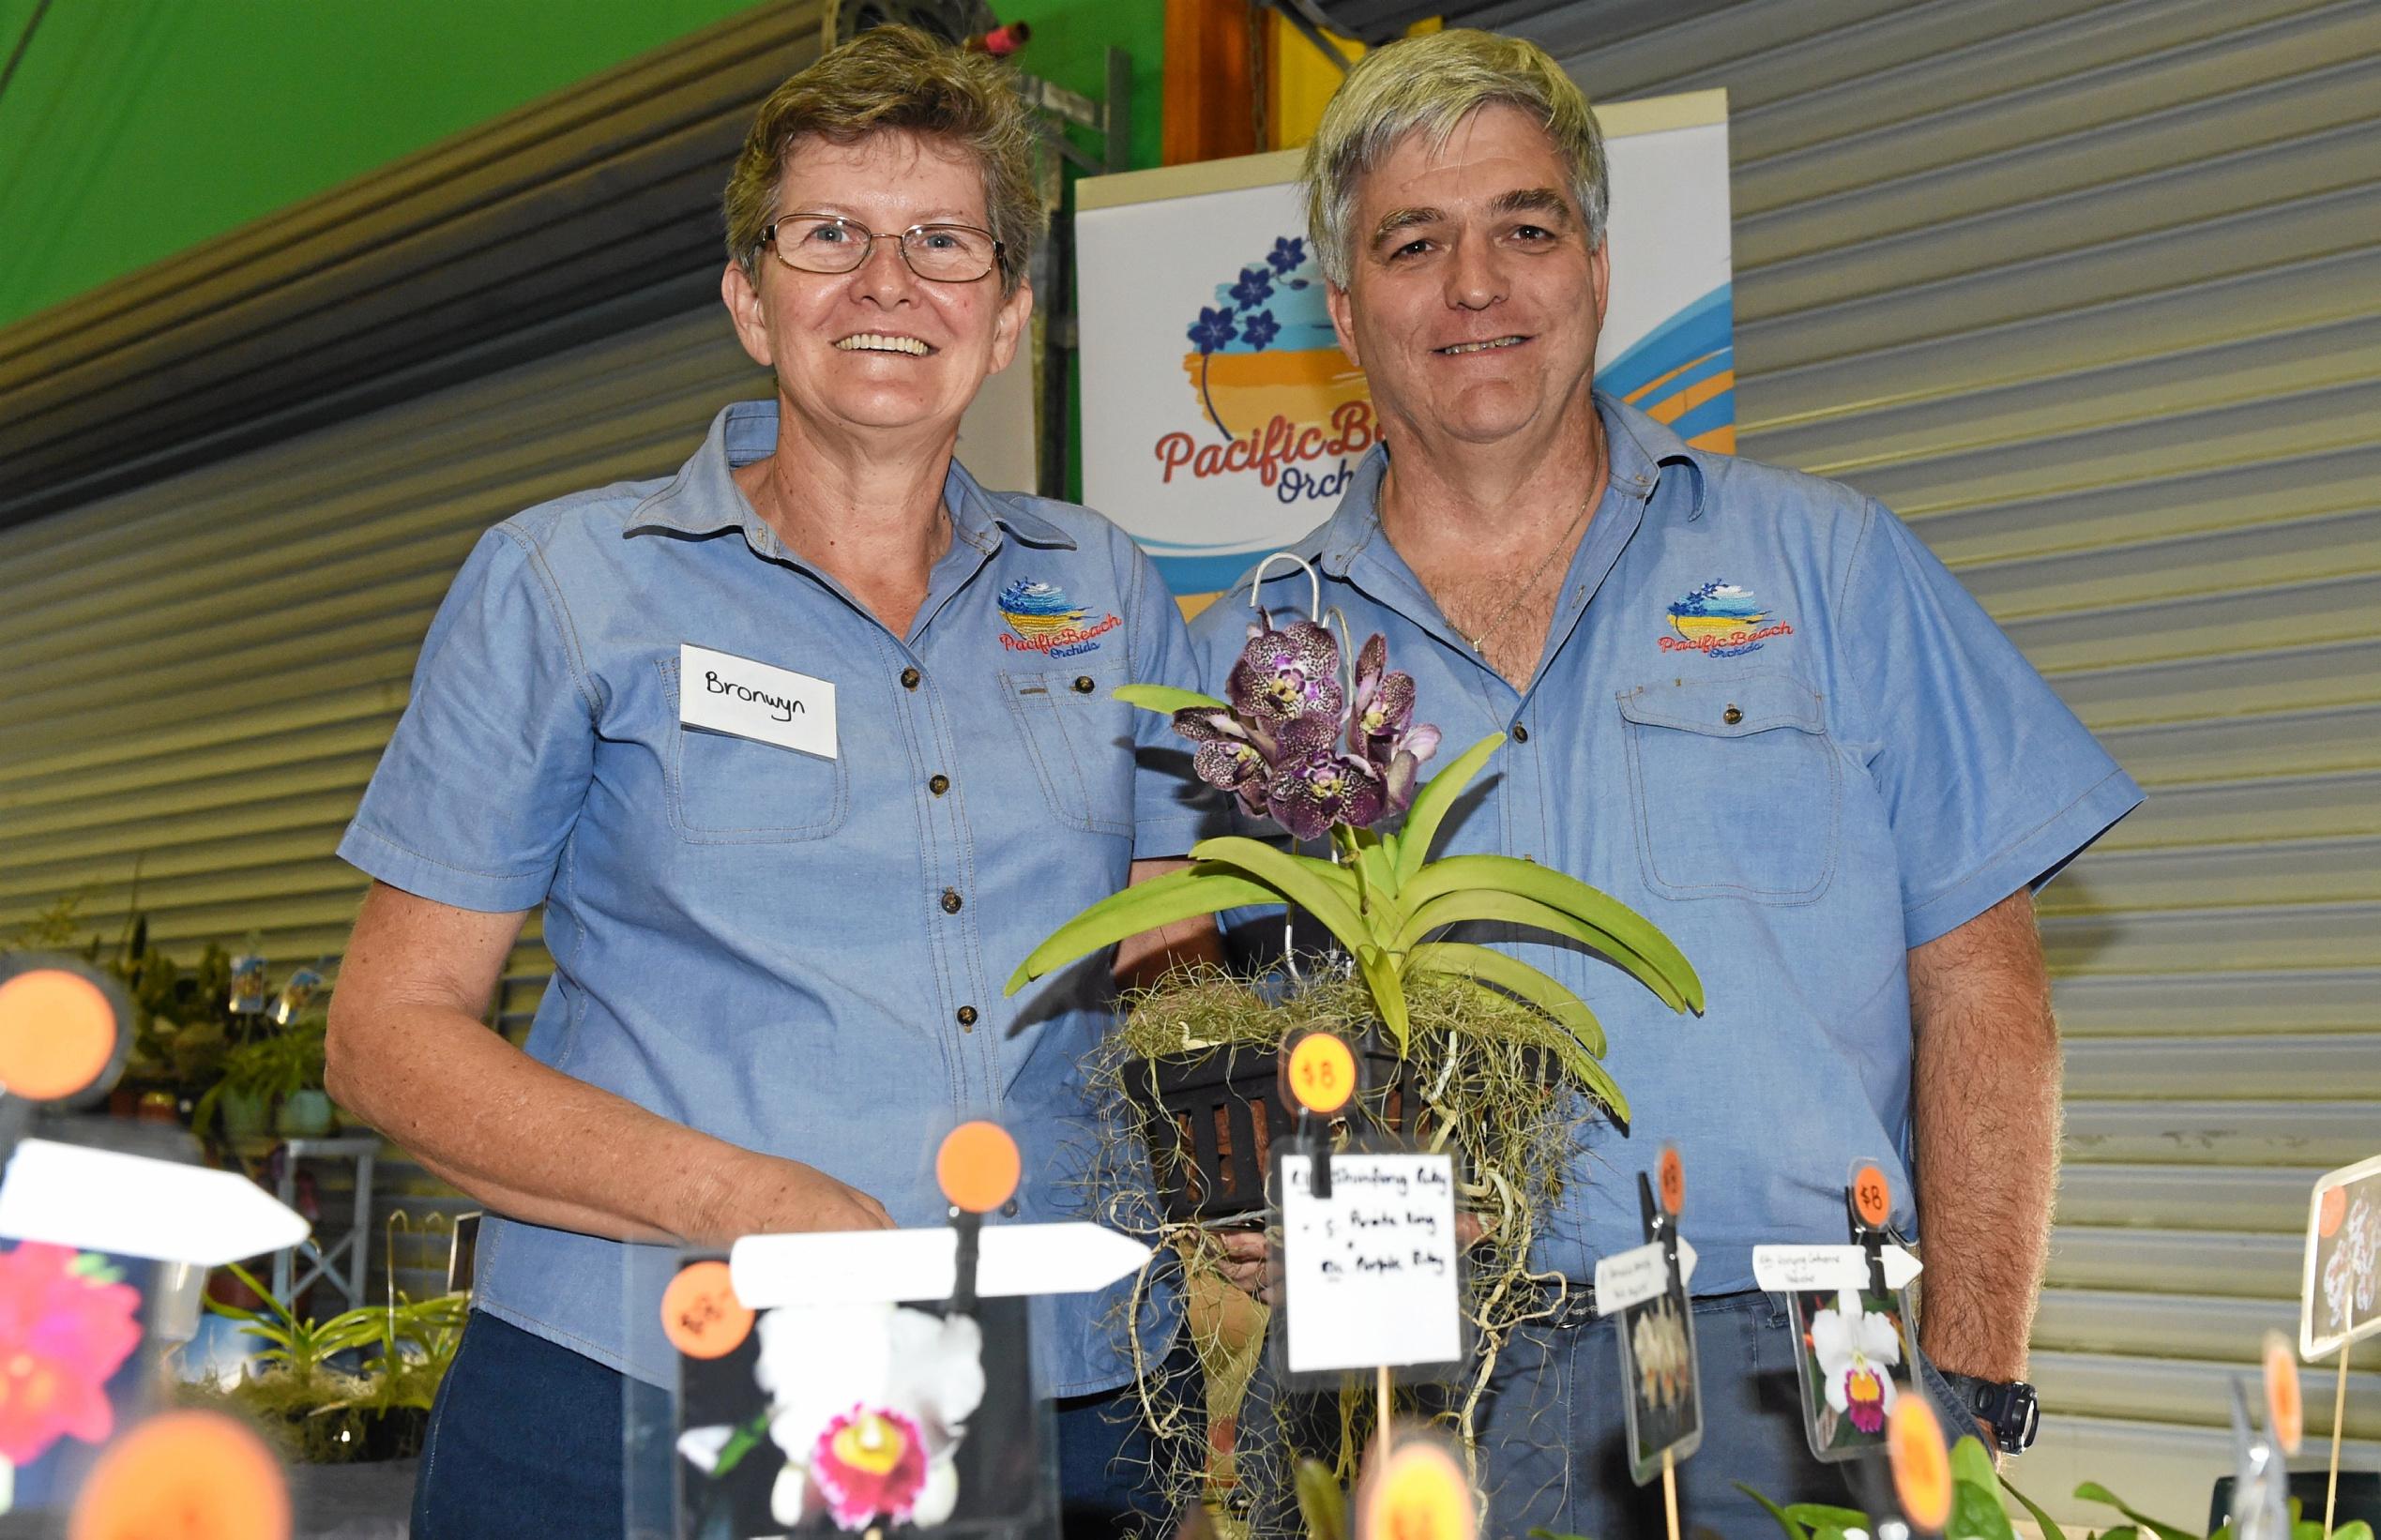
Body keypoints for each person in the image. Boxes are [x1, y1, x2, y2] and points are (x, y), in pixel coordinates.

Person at [1191, 28, 2142, 1538]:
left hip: (1797, 1357)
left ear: (1596, 263)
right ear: (1342, 306)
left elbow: (1984, 990)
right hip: (1412, 1371)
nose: (1477, 285)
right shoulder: (1252, 654)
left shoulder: (1830, 568)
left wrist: (1968, 1376)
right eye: (1414, 241)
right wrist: (1228, 1194)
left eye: (1525, 225)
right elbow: (1168, 1006)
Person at [326, 27, 1208, 1538]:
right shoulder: (568, 584)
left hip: (1067, 1379)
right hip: (651, 1377)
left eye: (942, 242)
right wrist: (743, 1199)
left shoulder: (1108, 584)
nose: (886, 283)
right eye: (827, 237)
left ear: (1004, 317)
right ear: (750, 298)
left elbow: (1168, 963)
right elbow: (387, 1038)